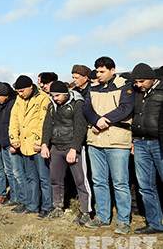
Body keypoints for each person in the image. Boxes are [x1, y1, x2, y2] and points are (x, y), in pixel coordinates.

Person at [83, 56, 135, 234]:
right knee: (98, 181)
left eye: (102, 71)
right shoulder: (93, 86)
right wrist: (97, 121)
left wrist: (106, 120)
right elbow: (87, 108)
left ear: (112, 70)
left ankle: (123, 220)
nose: (98, 74)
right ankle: (102, 217)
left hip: (117, 141)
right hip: (95, 140)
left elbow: (126, 108)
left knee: (120, 182)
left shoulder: (124, 84)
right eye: (97, 71)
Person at [40, 81, 92, 225]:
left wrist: (74, 148)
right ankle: (57, 207)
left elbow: (80, 127)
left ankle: (85, 212)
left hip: (72, 148)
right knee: (55, 180)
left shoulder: (77, 104)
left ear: (65, 93)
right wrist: (44, 144)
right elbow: (47, 125)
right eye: (52, 95)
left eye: (57, 95)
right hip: (56, 147)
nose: (55, 98)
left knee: (81, 181)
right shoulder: (52, 105)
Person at [9, 75, 52, 217]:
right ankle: (32, 205)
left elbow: (44, 122)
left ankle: (47, 206)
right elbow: (14, 119)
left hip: (37, 145)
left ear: (30, 87)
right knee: (30, 177)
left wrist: (40, 141)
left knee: (44, 178)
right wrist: (14, 138)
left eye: (22, 91)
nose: (20, 94)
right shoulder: (19, 99)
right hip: (25, 145)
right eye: (18, 91)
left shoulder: (43, 99)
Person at [130, 63, 163, 234]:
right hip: (141, 143)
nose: (138, 85)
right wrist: (133, 140)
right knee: (145, 186)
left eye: (141, 81)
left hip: (159, 143)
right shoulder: (137, 93)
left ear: (152, 78)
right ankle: (155, 223)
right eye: (136, 82)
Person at [0, 82, 16, 206]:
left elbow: (11, 126)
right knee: (0, 170)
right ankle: (3, 194)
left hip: (9, 144)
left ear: (5, 95)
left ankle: (15, 197)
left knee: (11, 172)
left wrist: (12, 143)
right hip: (0, 142)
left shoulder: (12, 105)